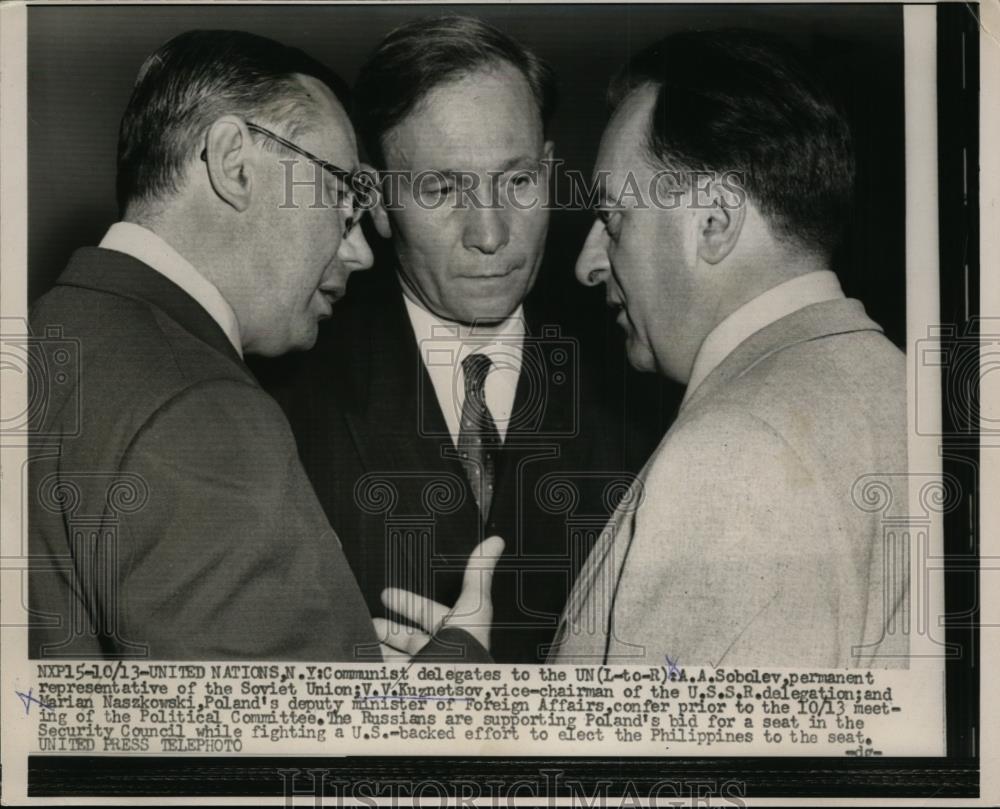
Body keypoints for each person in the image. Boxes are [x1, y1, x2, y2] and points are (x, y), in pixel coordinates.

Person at [28, 29, 501, 661]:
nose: (359, 251)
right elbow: (294, 756)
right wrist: (457, 669)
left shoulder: (46, 336)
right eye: (341, 195)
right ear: (235, 163)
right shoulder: (204, 411)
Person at [257, 16, 637, 664]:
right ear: (375, 201)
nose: (490, 234)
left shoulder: (642, 378)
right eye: (442, 189)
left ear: (548, 170)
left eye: (517, 181)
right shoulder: (282, 396)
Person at [550, 29, 910, 668]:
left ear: (714, 222)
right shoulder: (907, 395)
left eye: (612, 220)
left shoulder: (731, 456)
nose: (588, 264)